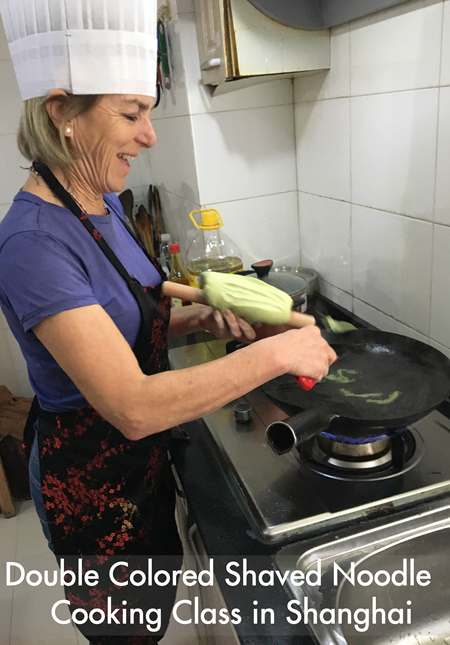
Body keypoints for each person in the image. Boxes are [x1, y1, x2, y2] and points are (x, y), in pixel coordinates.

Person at [0, 1, 336, 642]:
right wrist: (276, 356)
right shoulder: (34, 243)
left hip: (142, 468)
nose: (149, 135)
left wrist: (210, 318)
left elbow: (133, 312)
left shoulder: (98, 203)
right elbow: (131, 404)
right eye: (131, 113)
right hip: (97, 488)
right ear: (61, 113)